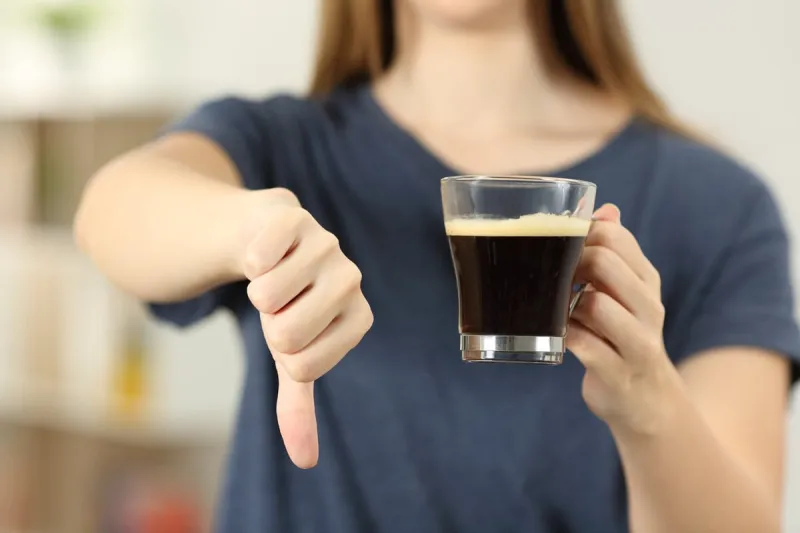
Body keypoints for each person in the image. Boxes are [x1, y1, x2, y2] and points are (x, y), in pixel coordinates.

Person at [73, 0, 800, 532]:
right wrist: (255, 230)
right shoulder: (282, 148)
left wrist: (650, 406)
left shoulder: (717, 205)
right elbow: (111, 208)